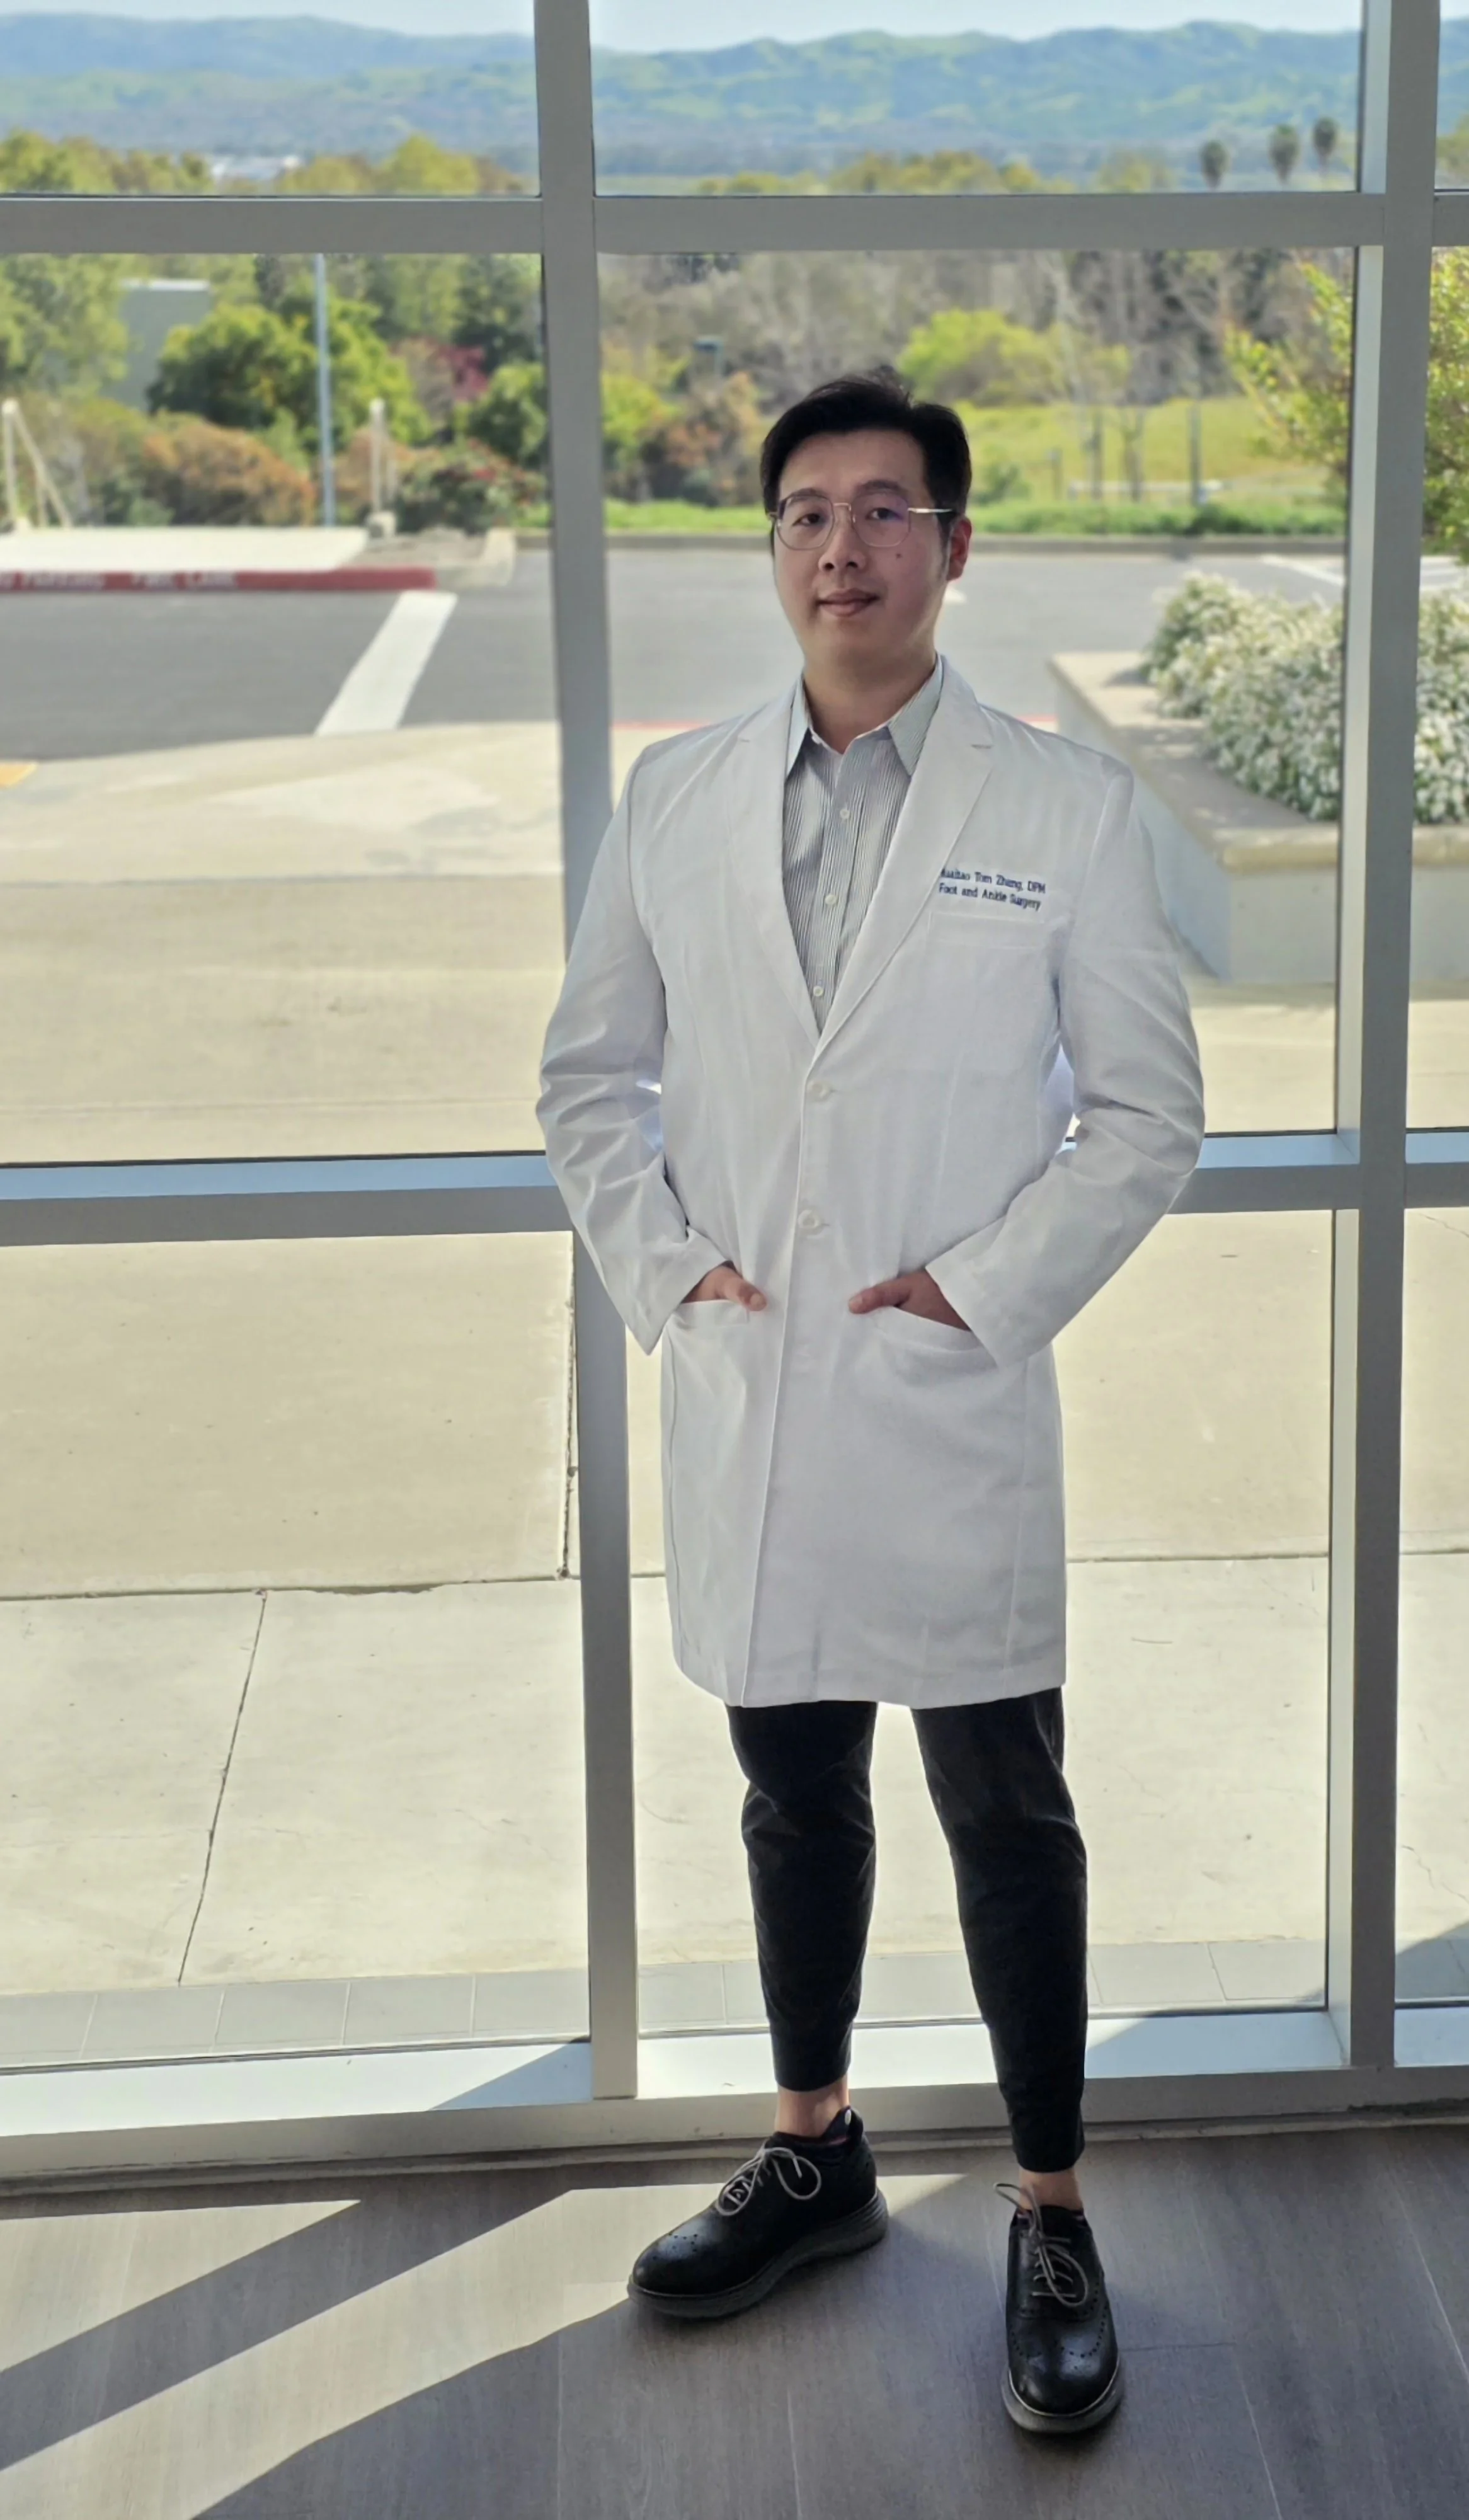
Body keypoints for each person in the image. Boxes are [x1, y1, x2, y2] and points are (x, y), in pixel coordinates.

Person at [537, 367, 1204, 2438]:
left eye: (887, 511)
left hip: (940, 1398)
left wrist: (978, 1294)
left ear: (954, 547)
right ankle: (815, 2149)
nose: (843, 547)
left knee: (1008, 1812)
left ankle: (1047, 2201)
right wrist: (678, 1281)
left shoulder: (1059, 808)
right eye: (807, 512)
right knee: (787, 1787)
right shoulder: (676, 795)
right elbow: (585, 1082)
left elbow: (1145, 1120)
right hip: (752, 1388)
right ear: (774, 550)